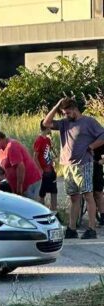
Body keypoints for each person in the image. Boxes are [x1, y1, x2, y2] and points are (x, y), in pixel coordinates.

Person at [42, 97, 104, 239]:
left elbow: (103, 135)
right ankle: (72, 228)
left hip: (84, 164)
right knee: (74, 198)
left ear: (75, 109)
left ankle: (91, 229)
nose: (66, 116)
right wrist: (57, 104)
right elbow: (46, 123)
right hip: (67, 165)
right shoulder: (64, 123)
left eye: (68, 113)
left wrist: (91, 146)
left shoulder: (89, 122)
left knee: (88, 195)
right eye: (64, 113)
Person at [0, 130, 42, 200]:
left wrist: (19, 189)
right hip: (17, 185)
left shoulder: (12, 146)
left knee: (29, 207)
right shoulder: (0, 149)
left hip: (29, 182)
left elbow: (20, 167)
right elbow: (5, 167)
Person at [33, 126, 58, 211]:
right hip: (44, 171)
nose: (51, 128)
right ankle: (41, 212)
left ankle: (54, 212)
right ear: (46, 128)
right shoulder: (39, 140)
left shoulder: (48, 140)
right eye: (49, 127)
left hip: (50, 169)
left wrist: (53, 160)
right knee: (42, 193)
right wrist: (40, 170)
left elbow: (51, 153)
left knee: (54, 192)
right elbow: (35, 157)